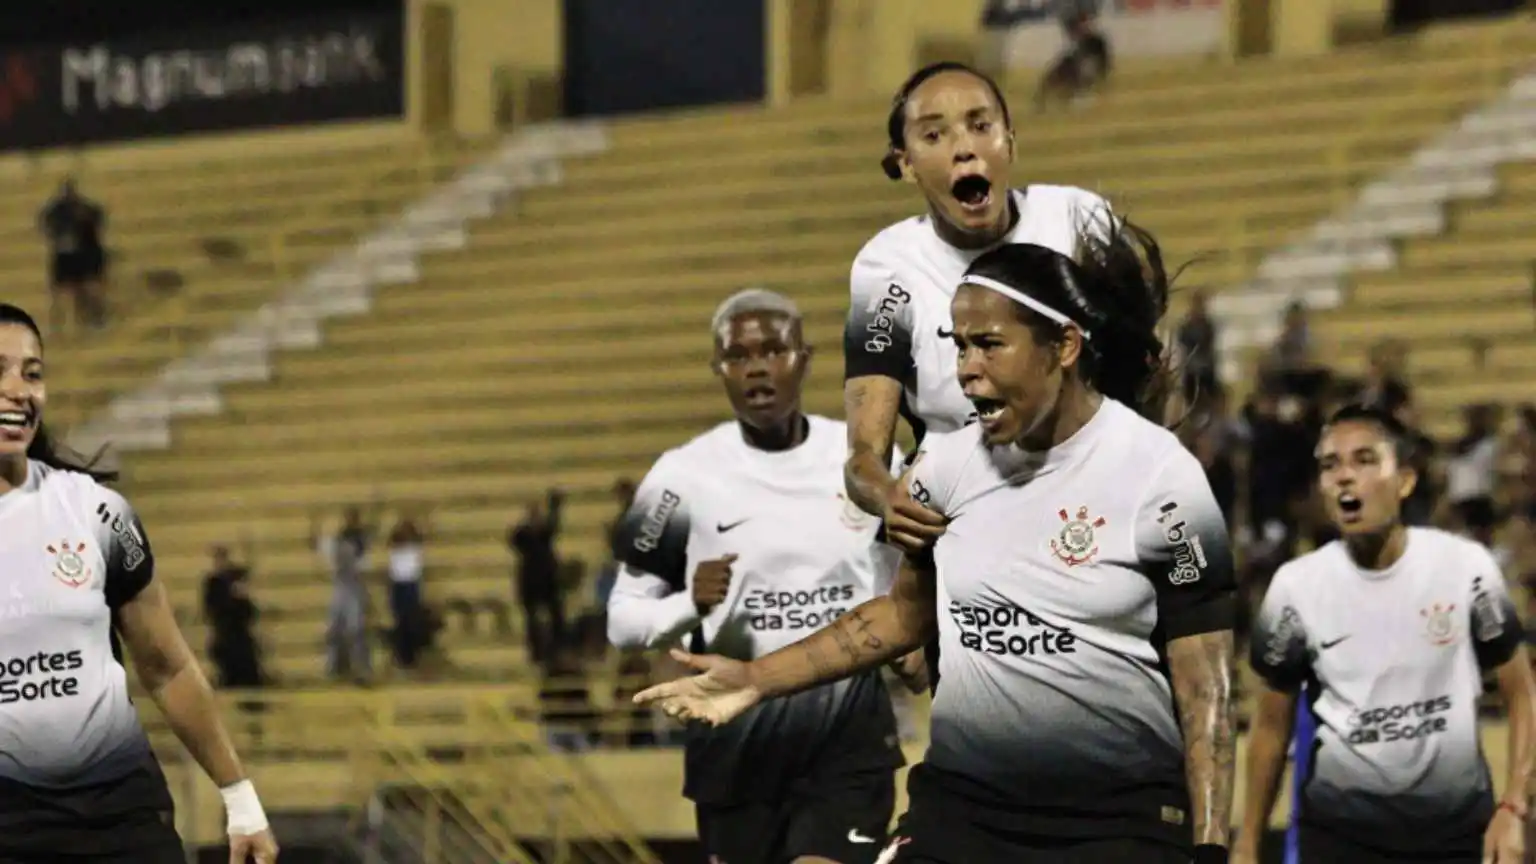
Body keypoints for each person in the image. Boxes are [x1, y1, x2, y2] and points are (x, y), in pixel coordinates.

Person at [640, 223, 1238, 864]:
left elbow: (1204, 681)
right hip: (964, 812)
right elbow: (904, 614)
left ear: (1062, 345)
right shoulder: (942, 468)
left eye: (989, 346)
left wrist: (1208, 848)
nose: (967, 373)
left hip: (1116, 820)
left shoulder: (1158, 474)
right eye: (959, 349)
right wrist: (759, 678)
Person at [608, 288, 905, 864]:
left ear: (805, 357)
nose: (758, 368)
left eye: (773, 350)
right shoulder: (680, 478)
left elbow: (901, 587)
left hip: (846, 745)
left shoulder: (866, 464)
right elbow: (622, 617)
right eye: (738, 356)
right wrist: (687, 606)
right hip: (734, 752)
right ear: (718, 369)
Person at [845, 60, 1114, 694]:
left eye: (980, 124)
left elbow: (1153, 374)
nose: (964, 145)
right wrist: (895, 517)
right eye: (934, 135)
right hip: (967, 534)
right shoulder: (888, 267)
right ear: (906, 163)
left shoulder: (1082, 223)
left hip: (1088, 518)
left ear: (1010, 142)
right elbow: (863, 458)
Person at [0, 303, 278, 863]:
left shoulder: (98, 514)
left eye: (32, 373)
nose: (19, 390)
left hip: (119, 820)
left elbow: (167, 666)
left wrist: (240, 797)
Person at [1237, 403, 1535, 864]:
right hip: (1340, 840)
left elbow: (1521, 692)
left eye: (1365, 460)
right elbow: (1271, 728)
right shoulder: (1295, 589)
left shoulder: (1465, 569)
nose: (1344, 477)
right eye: (1330, 465)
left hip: (1454, 837)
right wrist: (1247, 843)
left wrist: (1514, 806)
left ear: (1405, 481)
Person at [311, 504, 377, 684]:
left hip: (354, 587)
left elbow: (364, 563)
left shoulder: (361, 540)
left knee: (356, 630)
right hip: (340, 586)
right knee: (334, 629)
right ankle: (335, 667)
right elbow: (319, 545)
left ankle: (362, 669)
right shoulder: (339, 539)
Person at [36, 178, 108, 333]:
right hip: (65, 256)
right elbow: (44, 223)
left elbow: (98, 219)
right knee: (60, 293)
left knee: (86, 289)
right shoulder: (57, 210)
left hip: (80, 255)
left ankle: (93, 319)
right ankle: (57, 325)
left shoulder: (83, 208)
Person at [510, 488, 567, 667]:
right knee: (533, 620)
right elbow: (516, 540)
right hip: (531, 582)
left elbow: (552, 527)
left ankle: (557, 649)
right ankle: (538, 653)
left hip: (547, 581)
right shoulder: (523, 535)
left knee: (555, 616)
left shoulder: (543, 533)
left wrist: (554, 508)